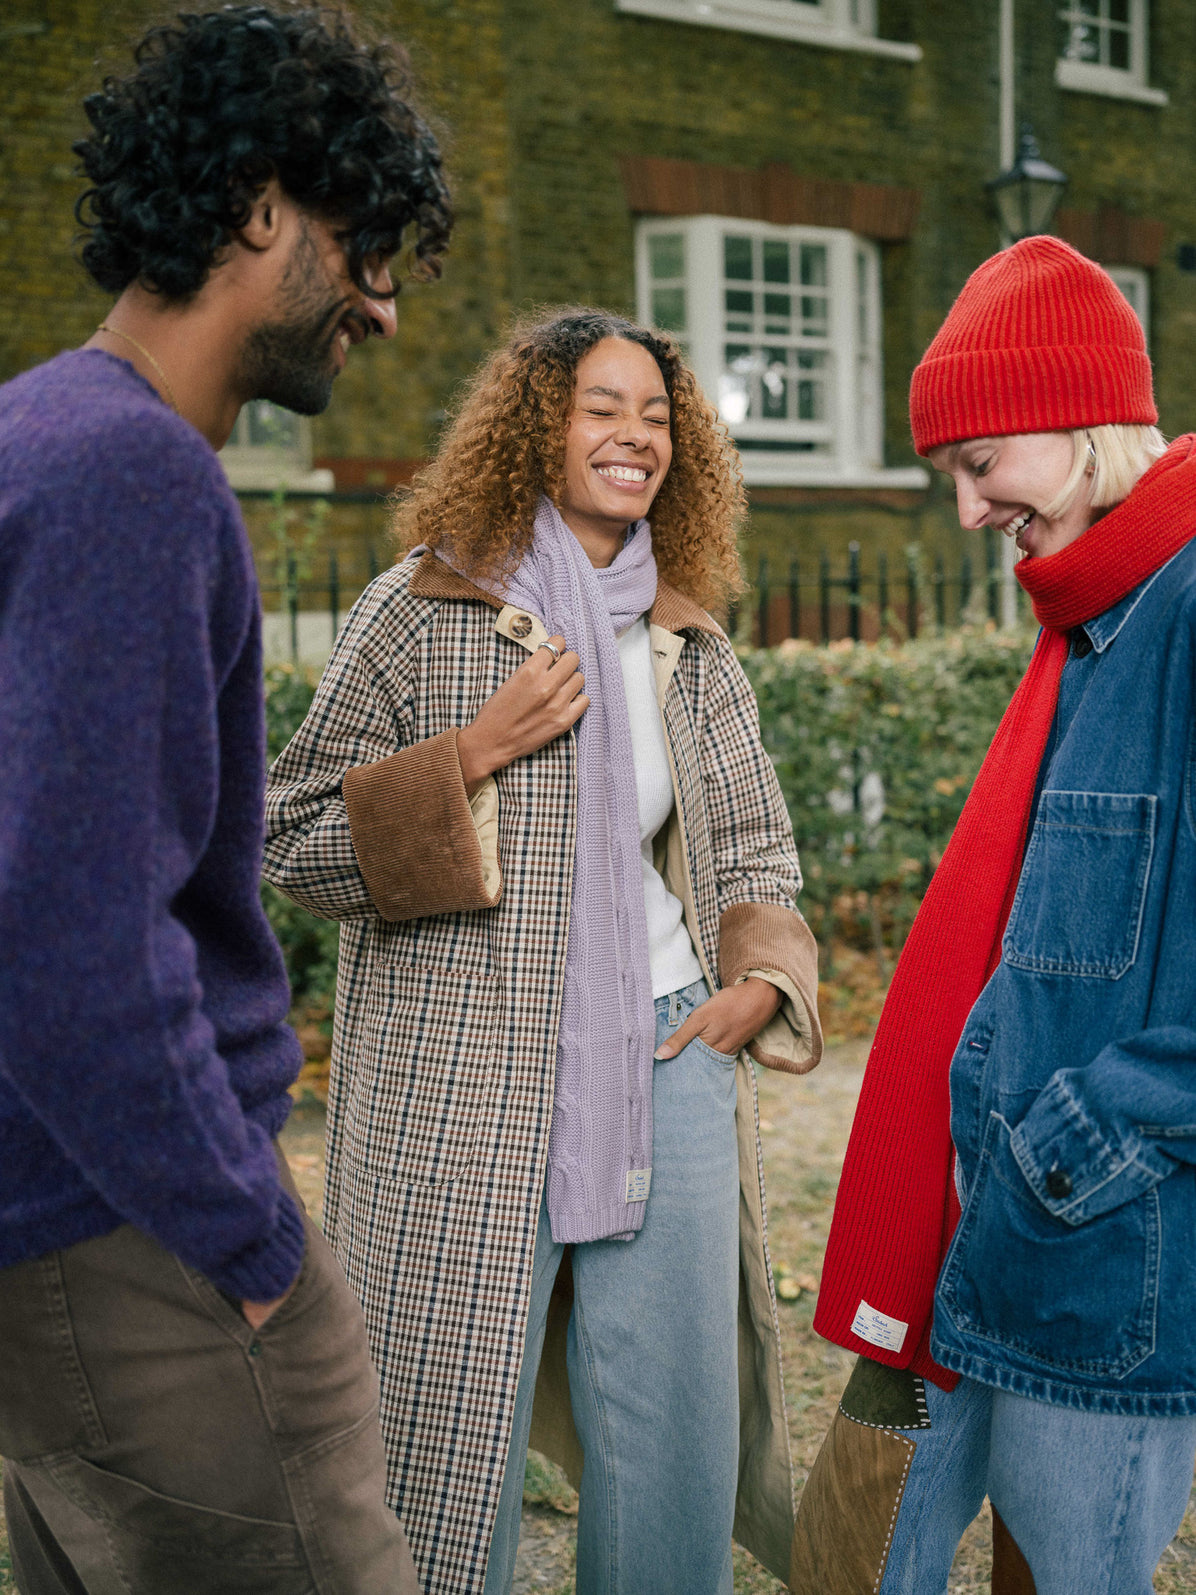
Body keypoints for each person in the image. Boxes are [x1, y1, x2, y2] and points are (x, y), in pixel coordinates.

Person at [262, 307, 823, 1595]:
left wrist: (757, 982)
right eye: (601, 409)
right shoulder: (420, 611)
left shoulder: (686, 638)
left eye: (658, 417)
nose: (635, 438)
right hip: (457, 1081)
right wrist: (471, 752)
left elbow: (750, 846)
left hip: (669, 1058)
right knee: (439, 1439)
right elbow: (289, 841)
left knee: (671, 1435)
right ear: (537, 428)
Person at [0, 7, 451, 1592]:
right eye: (366, 246)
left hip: (63, 1226)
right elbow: (70, 943)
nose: (384, 311)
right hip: (148, 1246)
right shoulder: (133, 473)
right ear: (260, 204)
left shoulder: (32, 432)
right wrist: (252, 1249)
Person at [790, 236, 1196, 1595]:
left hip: (1099, 1247)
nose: (968, 511)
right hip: (972, 1222)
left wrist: (1064, 1146)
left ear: (1081, 420)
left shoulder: (1183, 610)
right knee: (853, 1553)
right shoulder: (1093, 616)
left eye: (982, 465)